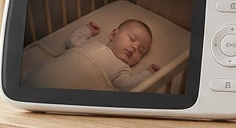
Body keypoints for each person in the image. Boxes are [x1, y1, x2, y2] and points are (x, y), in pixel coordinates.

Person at [26, 18, 159, 91]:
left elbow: (127, 86)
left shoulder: (122, 70)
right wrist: (87, 30)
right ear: (113, 34)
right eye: (131, 38)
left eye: (141, 50)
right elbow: (73, 40)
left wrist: (148, 74)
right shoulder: (92, 44)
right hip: (47, 75)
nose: (135, 47)